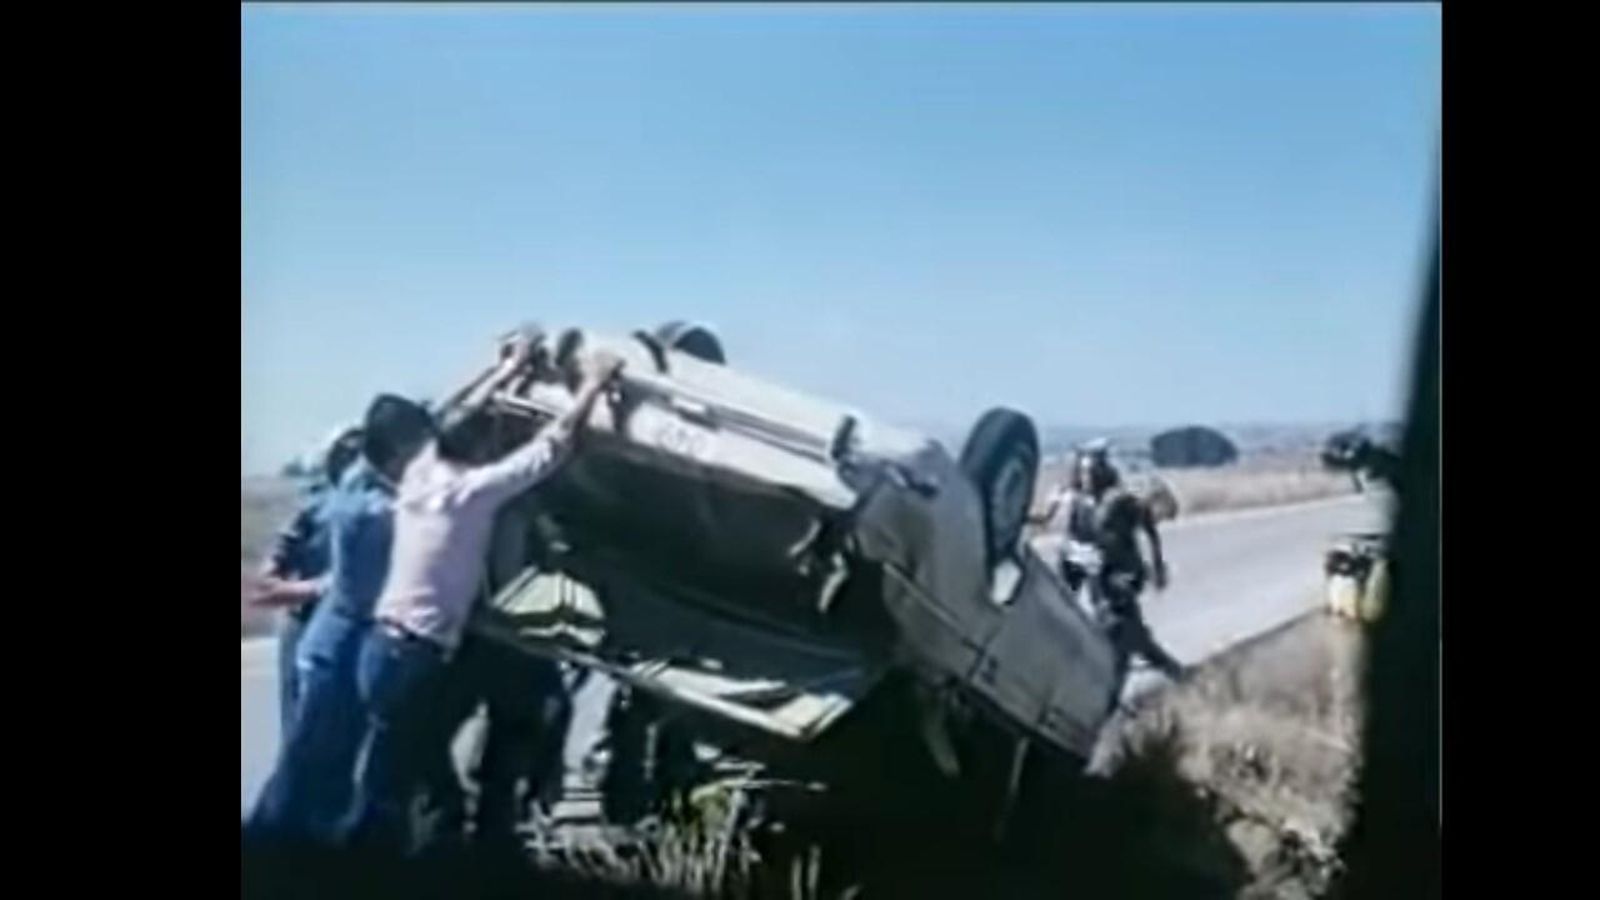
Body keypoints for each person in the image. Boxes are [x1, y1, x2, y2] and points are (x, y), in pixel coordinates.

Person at [344, 337, 625, 855]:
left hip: (386, 651)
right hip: (413, 657)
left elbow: (451, 416)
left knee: (403, 781)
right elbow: (549, 450)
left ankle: (395, 862)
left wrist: (507, 369)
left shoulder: (419, 474)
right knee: (397, 790)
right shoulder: (467, 493)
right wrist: (592, 383)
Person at [246, 395, 435, 847]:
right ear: (396, 453)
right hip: (340, 648)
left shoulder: (358, 481)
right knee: (312, 760)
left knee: (320, 759)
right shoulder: (377, 510)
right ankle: (273, 847)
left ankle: (296, 845)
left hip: (335, 643)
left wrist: (503, 375)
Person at [1039, 441, 1185, 683]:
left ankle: (1165, 672)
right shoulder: (1076, 499)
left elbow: (1149, 525)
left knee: (1121, 629)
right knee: (1073, 611)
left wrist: (1157, 564)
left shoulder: (1119, 500)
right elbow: (1053, 525)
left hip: (1119, 571)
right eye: (1083, 471)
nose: (1086, 477)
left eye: (1091, 472)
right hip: (1092, 569)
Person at [251, 425, 364, 734]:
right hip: (308, 624)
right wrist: (321, 588)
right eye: (348, 453)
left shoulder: (389, 509)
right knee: (303, 727)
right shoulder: (312, 510)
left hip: (363, 631)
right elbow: (265, 584)